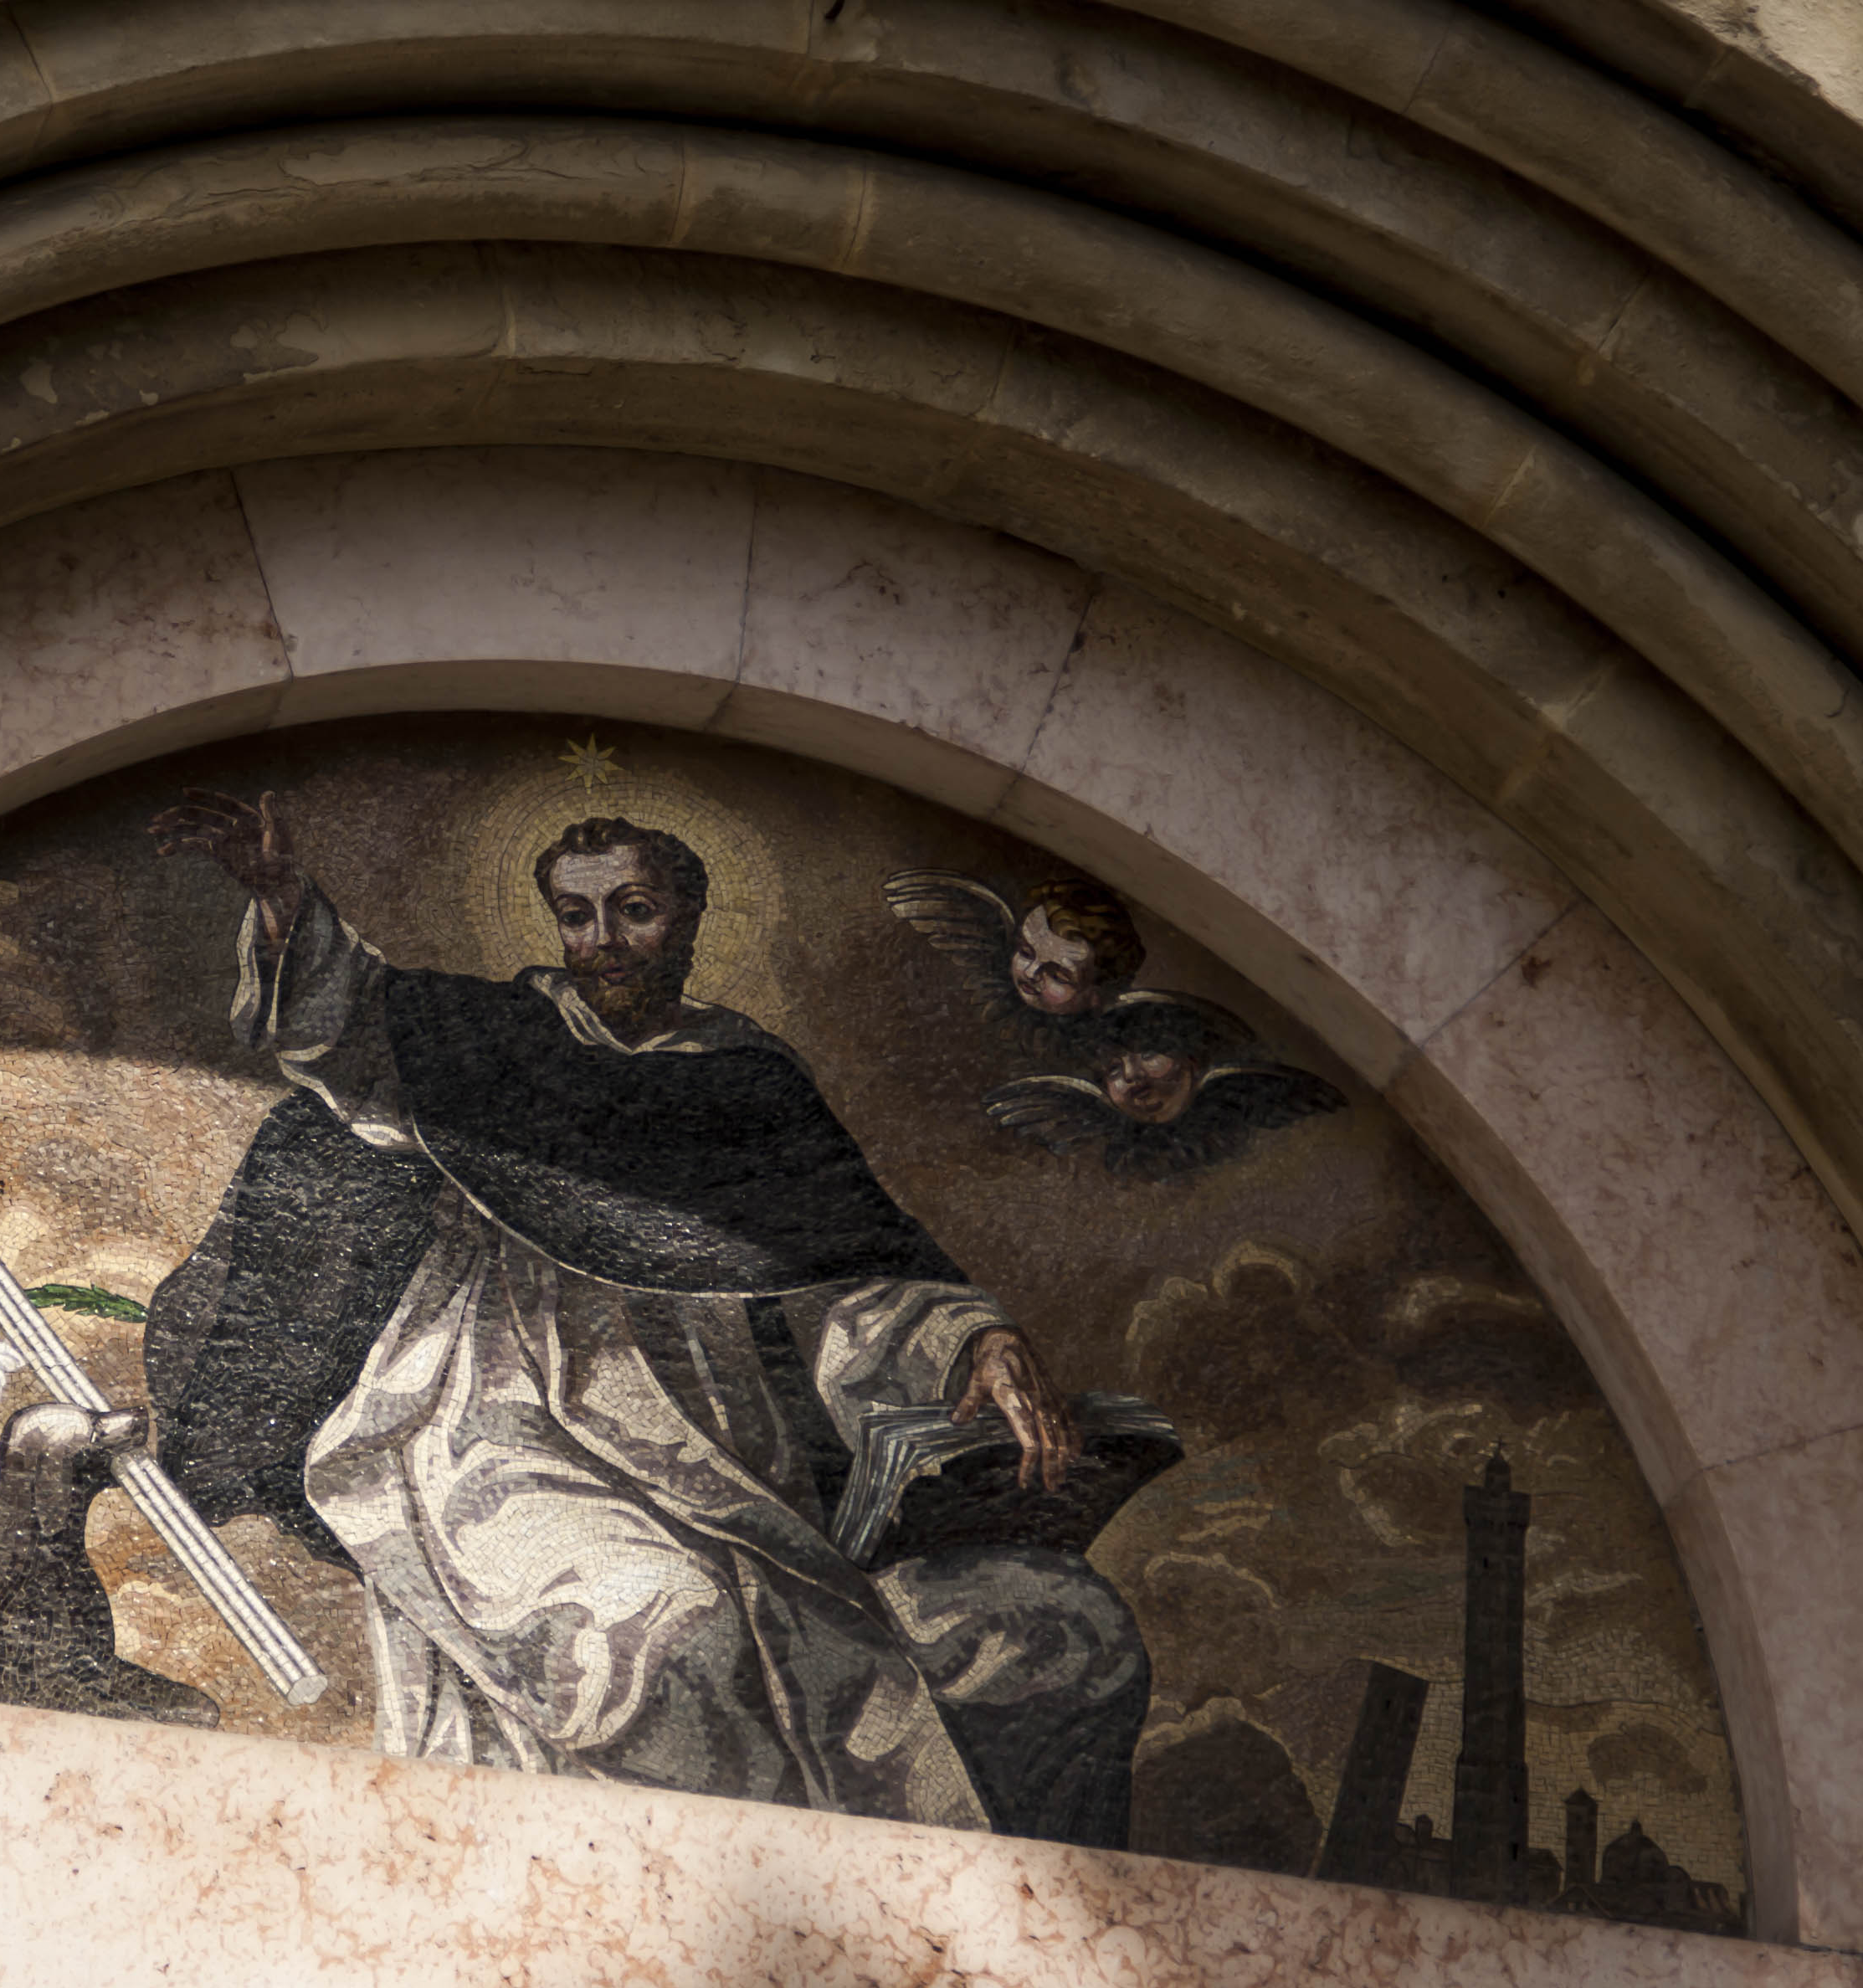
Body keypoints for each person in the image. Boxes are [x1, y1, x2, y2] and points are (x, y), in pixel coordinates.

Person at [141, 789, 1150, 1845]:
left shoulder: (749, 1086)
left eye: (633, 909)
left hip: (712, 1440)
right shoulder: (497, 1040)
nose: (604, 941)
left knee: (806, 1652)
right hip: (491, 1422)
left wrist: (970, 1339)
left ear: (690, 916)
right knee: (659, 1634)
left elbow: (848, 1271)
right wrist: (280, 896)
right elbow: (344, 1019)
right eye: (577, 915)